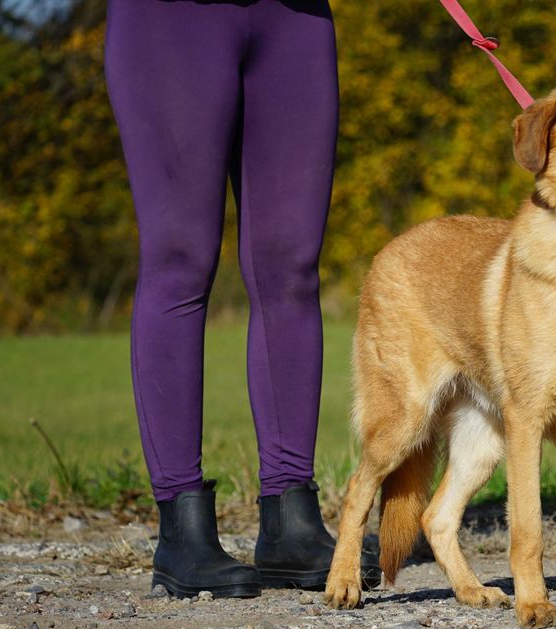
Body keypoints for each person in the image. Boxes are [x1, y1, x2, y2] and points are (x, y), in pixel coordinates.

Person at [105, 0, 378, 597]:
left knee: (291, 265)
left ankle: (290, 521)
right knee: (180, 259)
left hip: (293, 19)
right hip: (172, 20)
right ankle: (183, 534)